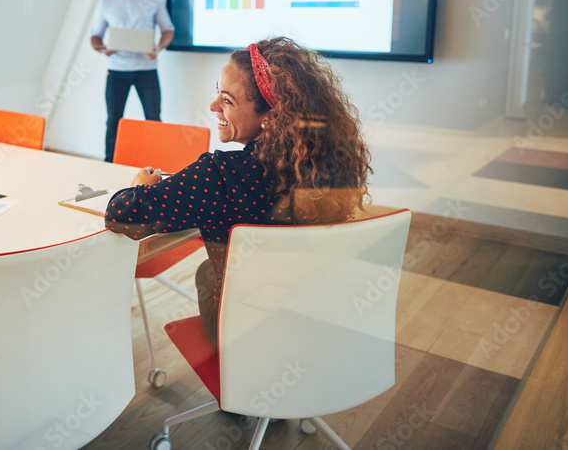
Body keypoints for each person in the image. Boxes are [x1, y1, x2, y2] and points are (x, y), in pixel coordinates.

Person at [105, 36, 371, 343]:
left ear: (270, 119)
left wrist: (141, 187)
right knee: (208, 270)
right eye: (217, 92)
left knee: (209, 272)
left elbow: (121, 215)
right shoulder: (318, 166)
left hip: (246, 337)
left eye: (227, 101)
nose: (213, 106)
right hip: (312, 325)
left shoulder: (219, 175)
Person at [90, 0, 175, 162]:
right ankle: (109, 163)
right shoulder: (107, 2)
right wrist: (102, 49)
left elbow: (168, 30)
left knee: (153, 119)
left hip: (146, 70)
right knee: (114, 122)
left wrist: (159, 47)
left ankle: (158, 165)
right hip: (116, 71)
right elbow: (95, 36)